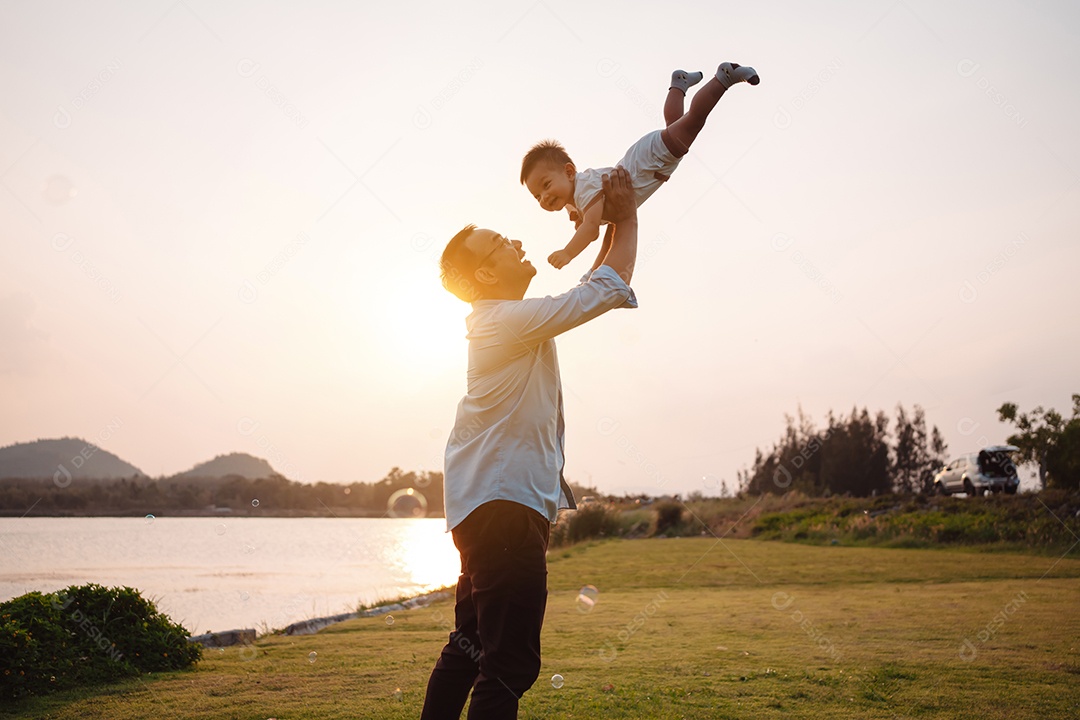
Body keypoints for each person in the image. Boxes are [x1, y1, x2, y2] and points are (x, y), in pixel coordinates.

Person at [420, 167, 639, 720]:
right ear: (487, 275)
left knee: (469, 650)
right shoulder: (504, 323)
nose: (516, 240)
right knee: (509, 665)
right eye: (500, 243)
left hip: (486, 510)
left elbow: (586, 289)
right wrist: (626, 214)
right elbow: (603, 292)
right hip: (505, 510)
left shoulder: (504, 321)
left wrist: (607, 223)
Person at [521, 62, 759, 270]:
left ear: (569, 172)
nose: (544, 197)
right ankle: (679, 83)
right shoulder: (575, 200)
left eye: (546, 185)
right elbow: (594, 227)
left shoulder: (584, 192)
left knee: (693, 122)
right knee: (677, 124)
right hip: (648, 162)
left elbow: (592, 230)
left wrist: (567, 252)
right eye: (537, 196)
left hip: (650, 159)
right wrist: (579, 224)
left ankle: (725, 76)